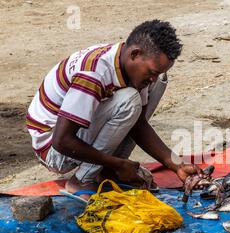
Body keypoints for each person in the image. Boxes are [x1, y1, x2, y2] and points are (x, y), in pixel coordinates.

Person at [26, 20, 200, 199]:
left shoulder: (130, 64)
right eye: (151, 71)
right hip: (54, 152)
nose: (153, 78)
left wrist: (176, 165)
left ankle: (104, 170)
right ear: (134, 54)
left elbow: (138, 124)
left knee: (153, 86)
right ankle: (82, 179)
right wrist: (120, 165)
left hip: (75, 137)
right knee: (129, 102)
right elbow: (62, 141)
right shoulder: (94, 72)